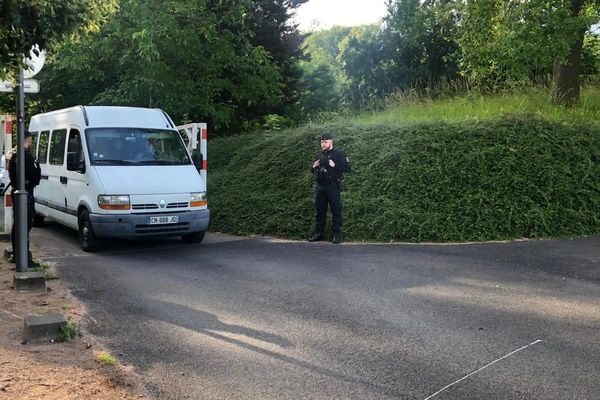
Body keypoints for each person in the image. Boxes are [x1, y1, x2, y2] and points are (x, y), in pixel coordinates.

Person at [308, 132, 351, 244]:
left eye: (325, 141)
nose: (323, 144)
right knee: (320, 211)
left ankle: (336, 235)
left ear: (331, 141)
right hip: (320, 186)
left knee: (336, 210)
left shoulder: (339, 154)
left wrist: (334, 165)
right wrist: (313, 167)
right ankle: (318, 233)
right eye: (322, 142)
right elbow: (315, 171)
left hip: (332, 185)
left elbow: (348, 168)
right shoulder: (319, 155)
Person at [7, 130, 42, 268]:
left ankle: (17, 255)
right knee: (24, 226)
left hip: (19, 191)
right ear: (28, 140)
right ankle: (23, 258)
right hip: (26, 194)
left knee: (18, 225)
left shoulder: (13, 153)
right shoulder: (24, 155)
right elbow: (35, 174)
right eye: (30, 140)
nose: (31, 142)